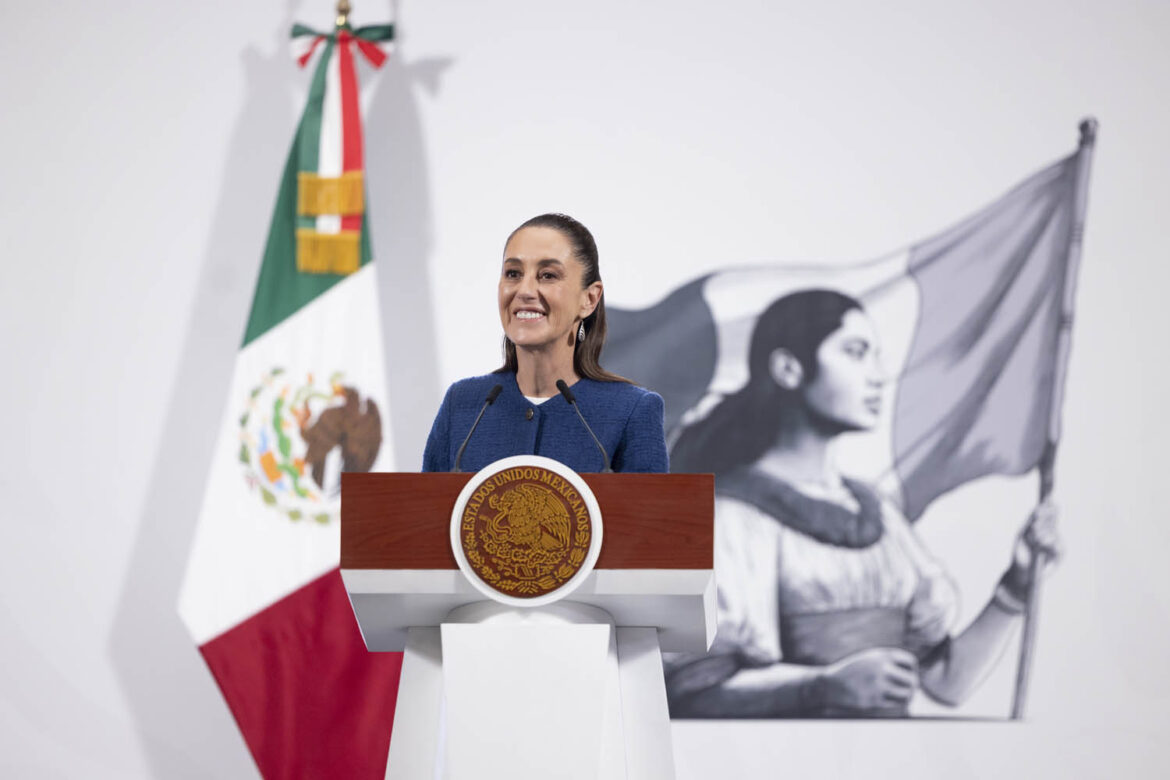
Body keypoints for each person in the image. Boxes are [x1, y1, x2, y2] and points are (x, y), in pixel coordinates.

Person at [665, 289, 1060, 718]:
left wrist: (1016, 587)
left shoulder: (879, 514)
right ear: (788, 368)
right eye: (856, 353)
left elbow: (946, 683)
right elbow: (694, 691)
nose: (877, 375)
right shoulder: (731, 516)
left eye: (876, 355)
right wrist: (823, 686)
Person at [423, 213, 668, 474]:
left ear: (589, 299)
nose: (525, 290)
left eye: (548, 275)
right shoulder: (463, 404)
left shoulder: (631, 411)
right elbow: (424, 512)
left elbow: (651, 514)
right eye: (513, 273)